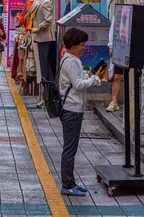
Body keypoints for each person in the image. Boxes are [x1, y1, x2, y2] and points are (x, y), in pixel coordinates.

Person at [59, 27, 102, 196]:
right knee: (69, 149)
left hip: (74, 108)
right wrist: (94, 79)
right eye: (82, 45)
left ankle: (71, 183)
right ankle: (67, 185)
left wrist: (89, 76)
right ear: (73, 45)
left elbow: (77, 80)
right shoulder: (70, 61)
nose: (83, 48)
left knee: (72, 148)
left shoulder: (71, 59)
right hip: (71, 109)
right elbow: (77, 84)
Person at [106, 14, 123, 112]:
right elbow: (114, 27)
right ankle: (114, 102)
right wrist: (111, 45)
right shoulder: (120, 12)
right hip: (121, 45)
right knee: (117, 76)